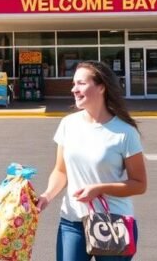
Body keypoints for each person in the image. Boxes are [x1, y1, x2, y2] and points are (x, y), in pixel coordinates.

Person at [36, 61, 147, 261]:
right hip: (73, 221)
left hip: (114, 222)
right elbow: (61, 171)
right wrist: (46, 196)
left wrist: (99, 188)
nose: (74, 89)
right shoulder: (68, 124)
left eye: (80, 83)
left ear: (101, 87)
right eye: (73, 83)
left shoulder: (125, 132)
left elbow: (139, 185)